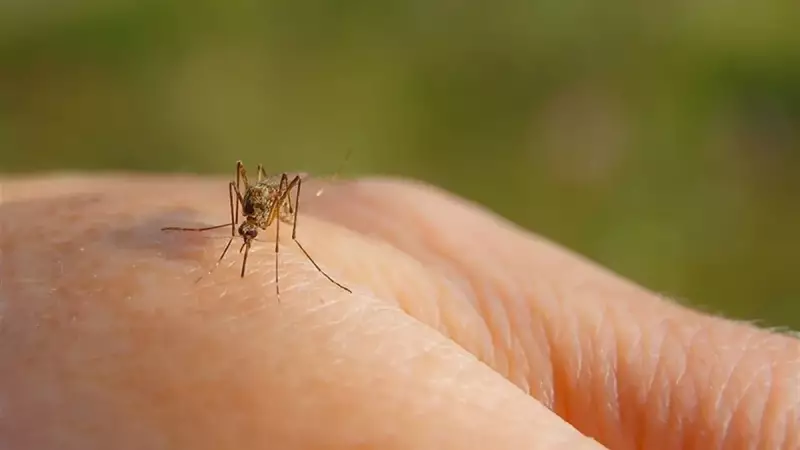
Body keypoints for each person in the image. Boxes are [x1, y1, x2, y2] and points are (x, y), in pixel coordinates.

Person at [1, 174, 797, 449]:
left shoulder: (276, 208)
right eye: (248, 221)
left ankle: (283, 247)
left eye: (252, 221)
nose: (251, 225)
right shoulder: (244, 206)